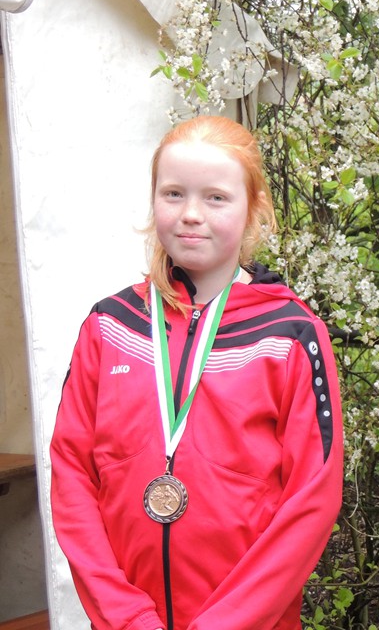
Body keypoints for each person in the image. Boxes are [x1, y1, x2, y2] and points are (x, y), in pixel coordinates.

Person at [51, 115, 345, 630]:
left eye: (216, 198)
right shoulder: (109, 326)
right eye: (173, 194)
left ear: (254, 209)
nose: (191, 214)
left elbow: (310, 501)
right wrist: (127, 618)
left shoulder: (290, 335)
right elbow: (71, 475)